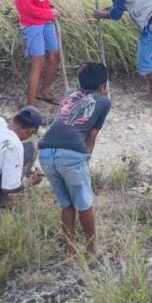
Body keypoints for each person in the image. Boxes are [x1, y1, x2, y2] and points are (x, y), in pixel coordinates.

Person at [37, 62, 111, 257]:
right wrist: (85, 158)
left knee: (66, 203)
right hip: (71, 154)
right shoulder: (103, 102)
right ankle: (92, 248)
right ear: (102, 87)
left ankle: (69, 247)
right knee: (83, 202)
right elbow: (91, 136)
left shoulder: (69, 92)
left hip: (45, 151)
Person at [11, 0, 61, 106]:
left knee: (54, 56)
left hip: (46, 20)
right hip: (32, 24)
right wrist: (49, 13)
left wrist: (51, 9)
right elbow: (26, 8)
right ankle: (30, 107)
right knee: (37, 63)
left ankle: (44, 91)